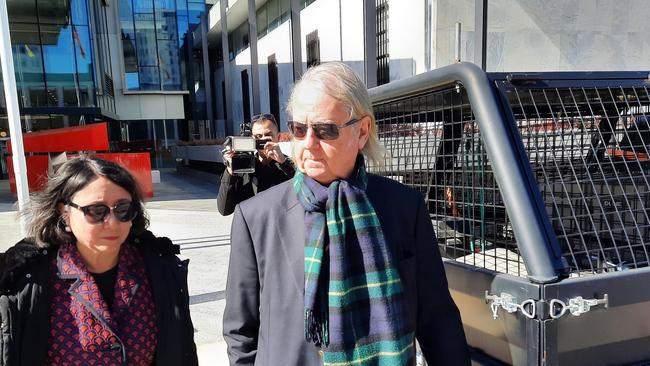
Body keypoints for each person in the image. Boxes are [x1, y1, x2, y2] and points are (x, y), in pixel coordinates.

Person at [223, 62, 470, 365]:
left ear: (362, 131)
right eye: (299, 129)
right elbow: (240, 332)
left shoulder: (404, 207)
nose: (309, 144)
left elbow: (437, 320)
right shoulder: (256, 217)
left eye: (326, 131)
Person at [0, 156, 198, 365]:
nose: (112, 222)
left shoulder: (159, 269)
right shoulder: (29, 282)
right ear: (64, 212)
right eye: (96, 210)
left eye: (122, 209)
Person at [217, 113, 295, 215]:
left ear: (278, 136)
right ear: (252, 139)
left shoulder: (290, 164)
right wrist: (230, 172)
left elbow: (304, 194)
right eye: (258, 136)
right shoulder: (243, 165)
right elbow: (224, 210)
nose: (263, 139)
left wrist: (284, 163)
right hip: (252, 226)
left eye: (268, 135)